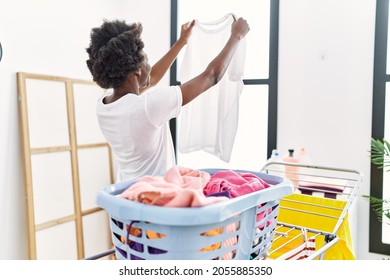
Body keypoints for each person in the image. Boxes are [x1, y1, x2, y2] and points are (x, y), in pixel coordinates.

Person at [86, 17, 250, 183]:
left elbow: (153, 77)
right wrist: (236, 36)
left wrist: (182, 41)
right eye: (146, 58)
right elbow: (211, 76)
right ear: (136, 70)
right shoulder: (147, 107)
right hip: (156, 198)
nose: (149, 64)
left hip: (128, 193)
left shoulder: (104, 104)